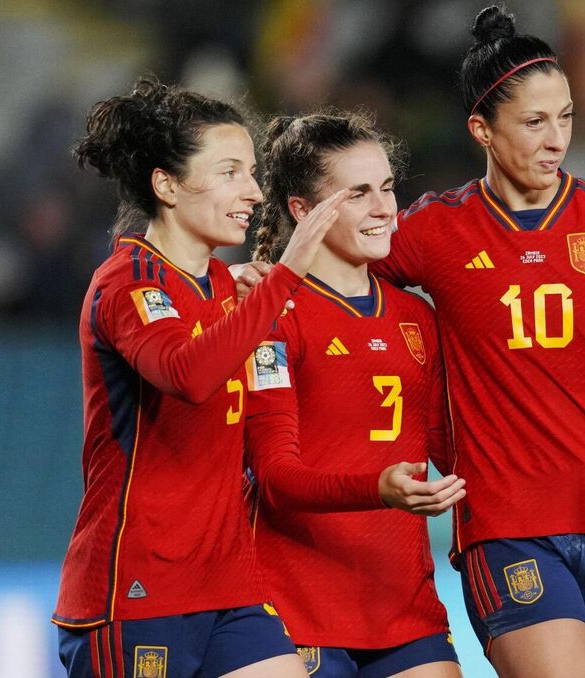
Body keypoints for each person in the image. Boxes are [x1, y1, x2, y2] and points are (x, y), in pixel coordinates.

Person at [231, 7, 585, 677]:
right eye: (534, 122)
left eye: (566, 117)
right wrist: (267, 278)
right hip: (508, 522)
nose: (556, 140)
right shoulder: (434, 230)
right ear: (482, 130)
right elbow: (340, 267)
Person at [53, 78, 340, 677]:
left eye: (251, 172)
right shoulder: (129, 281)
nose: (254, 191)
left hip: (228, 586)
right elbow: (188, 373)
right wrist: (287, 275)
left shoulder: (225, 286)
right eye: (230, 172)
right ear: (166, 185)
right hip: (136, 589)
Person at [245, 110, 467, 678]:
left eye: (387, 188)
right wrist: (377, 489)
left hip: (405, 607)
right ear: (303, 210)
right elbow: (274, 477)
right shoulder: (271, 316)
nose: (385, 208)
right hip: (298, 609)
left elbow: (458, 450)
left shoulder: (416, 317)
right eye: (359, 193)